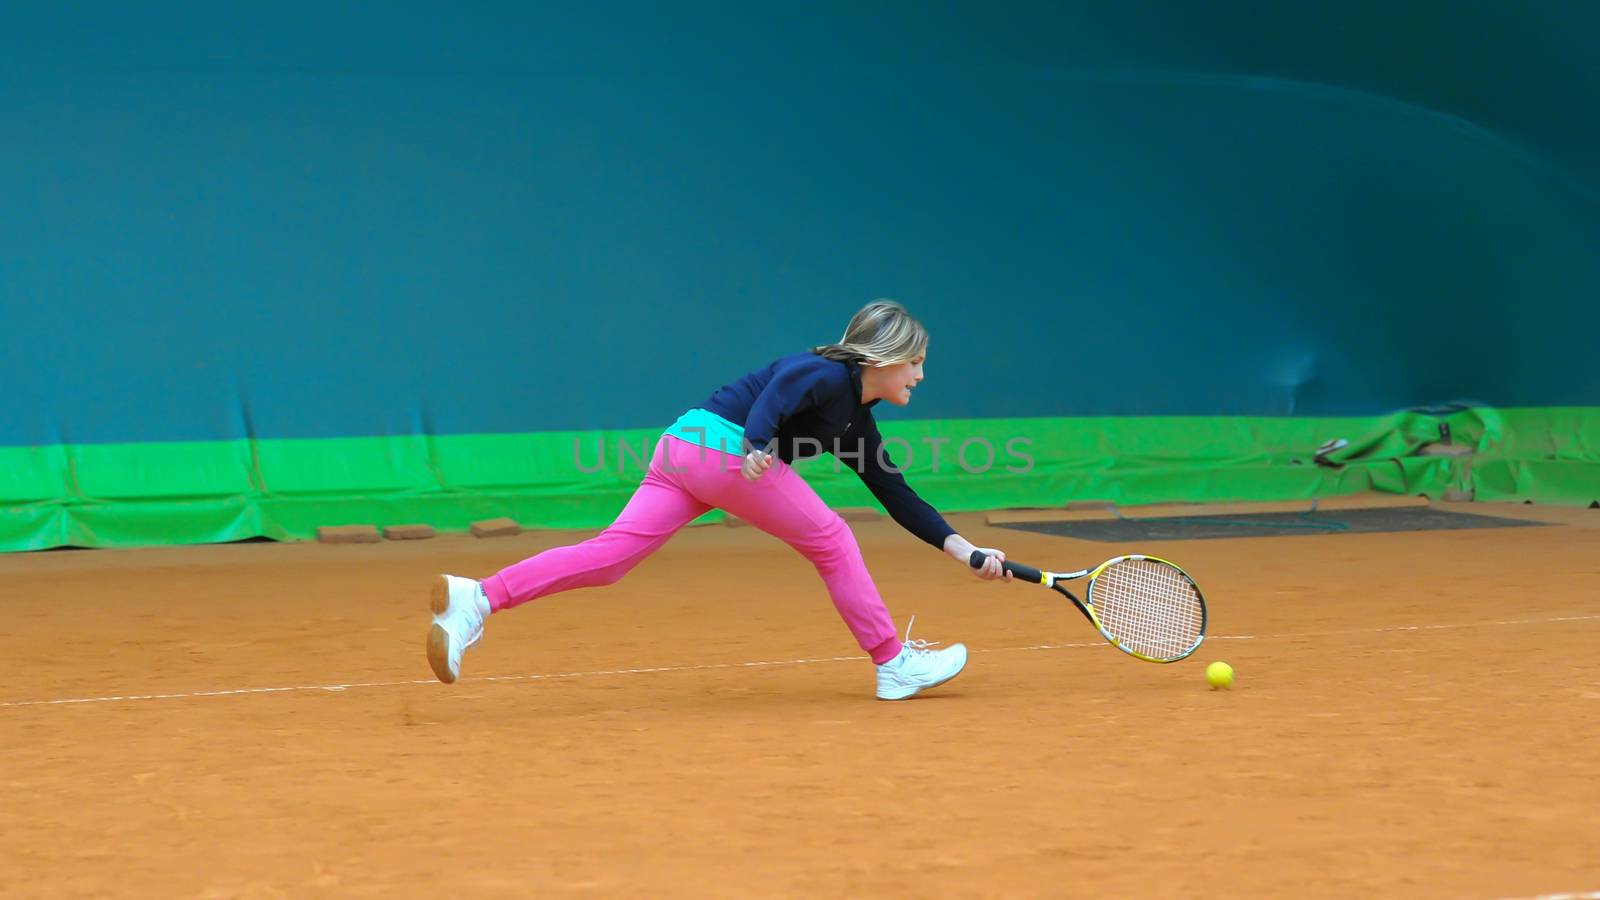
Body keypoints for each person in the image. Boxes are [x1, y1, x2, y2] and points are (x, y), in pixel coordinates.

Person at [426, 300, 1012, 700]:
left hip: (682, 446)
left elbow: (898, 495)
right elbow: (783, 389)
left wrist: (965, 551)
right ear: (885, 359)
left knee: (610, 559)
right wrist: (757, 443)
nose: (920, 376)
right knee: (832, 538)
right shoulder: (826, 375)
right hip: (725, 451)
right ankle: (893, 664)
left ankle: (476, 599)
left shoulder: (857, 424)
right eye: (916, 364)